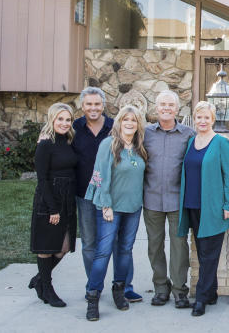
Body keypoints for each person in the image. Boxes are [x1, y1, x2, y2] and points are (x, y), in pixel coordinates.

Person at [83, 105, 148, 322]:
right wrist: (106, 206)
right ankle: (93, 297)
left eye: (134, 120)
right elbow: (100, 175)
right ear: (119, 122)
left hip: (133, 208)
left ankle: (119, 290)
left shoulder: (139, 148)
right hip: (111, 208)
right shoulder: (108, 145)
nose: (129, 123)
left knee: (125, 251)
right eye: (126, 119)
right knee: (103, 252)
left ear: (138, 124)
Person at [177, 101, 229, 317]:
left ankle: (201, 299)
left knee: (210, 254)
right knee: (203, 254)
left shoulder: (221, 143)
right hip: (191, 205)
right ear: (195, 119)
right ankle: (211, 292)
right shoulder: (191, 141)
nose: (202, 121)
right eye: (199, 117)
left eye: (207, 118)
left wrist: (228, 204)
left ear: (213, 119)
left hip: (213, 207)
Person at [143, 90, 195, 308]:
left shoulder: (188, 134)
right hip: (151, 198)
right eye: (162, 104)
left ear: (177, 108)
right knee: (154, 246)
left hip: (177, 200)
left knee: (179, 246)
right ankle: (160, 288)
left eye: (170, 105)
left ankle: (179, 290)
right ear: (156, 108)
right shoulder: (145, 133)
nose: (166, 108)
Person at [29, 102, 78, 308]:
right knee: (47, 247)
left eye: (68, 120)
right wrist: (52, 209)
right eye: (60, 119)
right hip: (49, 200)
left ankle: (40, 278)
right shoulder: (45, 144)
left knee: (63, 247)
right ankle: (48, 289)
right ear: (52, 119)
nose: (64, 123)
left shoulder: (68, 141)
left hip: (67, 198)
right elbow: (42, 179)